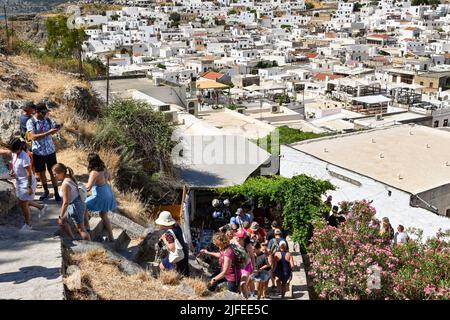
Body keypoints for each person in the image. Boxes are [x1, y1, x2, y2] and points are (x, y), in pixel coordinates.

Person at [5, 138, 47, 231]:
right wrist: (14, 173)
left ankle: (28, 225)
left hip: (27, 183)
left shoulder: (24, 157)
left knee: (23, 205)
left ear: (19, 148)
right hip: (20, 181)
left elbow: (28, 173)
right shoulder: (15, 153)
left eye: (13, 150)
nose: (12, 151)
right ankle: (41, 207)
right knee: (23, 202)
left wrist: (29, 187)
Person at [26, 103, 61, 201]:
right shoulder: (31, 122)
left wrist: (57, 129)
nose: (45, 114)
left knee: (53, 172)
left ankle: (56, 193)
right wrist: (48, 133)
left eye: (46, 111)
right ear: (37, 112)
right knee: (41, 173)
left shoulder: (48, 120)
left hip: (50, 151)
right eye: (43, 112)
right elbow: (32, 137)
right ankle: (46, 191)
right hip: (38, 152)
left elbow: (53, 130)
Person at [52, 163, 91, 240]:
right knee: (63, 223)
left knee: (81, 229)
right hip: (77, 205)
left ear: (61, 173)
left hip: (75, 207)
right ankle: (72, 239)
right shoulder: (69, 178)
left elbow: (66, 202)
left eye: (55, 174)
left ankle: (90, 246)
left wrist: (61, 216)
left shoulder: (65, 184)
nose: (54, 176)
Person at [85, 153, 117, 242]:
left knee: (83, 205)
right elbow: (110, 178)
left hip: (100, 195)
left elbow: (88, 187)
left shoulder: (94, 172)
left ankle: (86, 227)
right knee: (104, 215)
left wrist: (78, 186)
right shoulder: (104, 168)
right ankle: (111, 237)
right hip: (108, 192)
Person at [155, 211, 190, 276]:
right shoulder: (176, 226)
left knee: (162, 266)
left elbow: (172, 248)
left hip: (177, 256)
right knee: (181, 274)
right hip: (184, 253)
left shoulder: (169, 233)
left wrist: (164, 239)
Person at [232, 229, 255, 298]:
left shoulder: (248, 245)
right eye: (237, 236)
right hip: (237, 267)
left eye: (240, 237)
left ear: (244, 237)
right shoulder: (232, 242)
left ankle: (247, 297)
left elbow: (252, 256)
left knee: (242, 283)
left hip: (246, 266)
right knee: (238, 287)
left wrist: (254, 267)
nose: (238, 238)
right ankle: (248, 293)